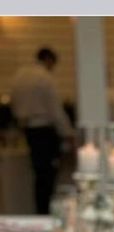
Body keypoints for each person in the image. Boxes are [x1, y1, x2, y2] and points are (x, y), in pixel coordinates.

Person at [10, 47, 73, 214]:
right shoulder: (45, 78)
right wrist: (67, 133)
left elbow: (14, 104)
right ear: (49, 60)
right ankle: (46, 211)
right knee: (47, 175)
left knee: (38, 174)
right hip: (45, 131)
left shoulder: (20, 76)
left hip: (28, 131)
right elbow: (55, 110)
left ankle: (41, 209)